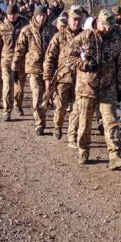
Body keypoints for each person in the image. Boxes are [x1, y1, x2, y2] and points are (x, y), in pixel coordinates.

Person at [67, 8, 121, 169]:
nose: (108, 29)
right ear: (98, 22)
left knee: (111, 122)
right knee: (85, 123)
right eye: (105, 25)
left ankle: (115, 155)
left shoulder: (116, 38)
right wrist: (85, 64)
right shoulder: (84, 37)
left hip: (108, 87)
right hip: (87, 88)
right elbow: (69, 59)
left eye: (111, 26)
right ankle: (83, 151)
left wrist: (120, 85)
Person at [14, 4, 56, 135]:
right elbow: (19, 49)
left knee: (47, 97)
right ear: (35, 16)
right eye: (40, 15)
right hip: (34, 68)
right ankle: (39, 124)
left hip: (50, 69)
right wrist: (15, 65)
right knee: (37, 96)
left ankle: (51, 120)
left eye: (44, 15)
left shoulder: (52, 30)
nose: (42, 18)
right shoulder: (27, 30)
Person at [44, 9, 83, 144]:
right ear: (69, 21)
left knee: (77, 109)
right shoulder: (59, 37)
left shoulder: (86, 36)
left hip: (80, 80)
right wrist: (47, 78)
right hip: (63, 78)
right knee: (60, 107)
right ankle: (58, 125)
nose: (76, 22)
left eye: (79, 20)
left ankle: (72, 135)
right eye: (74, 20)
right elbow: (49, 58)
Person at [0, 2, 28, 121]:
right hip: (6, 60)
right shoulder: (1, 28)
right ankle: (7, 111)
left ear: (18, 14)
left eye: (14, 14)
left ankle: (18, 104)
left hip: (21, 61)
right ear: (6, 15)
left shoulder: (25, 26)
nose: (12, 16)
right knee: (7, 85)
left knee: (20, 86)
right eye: (9, 14)